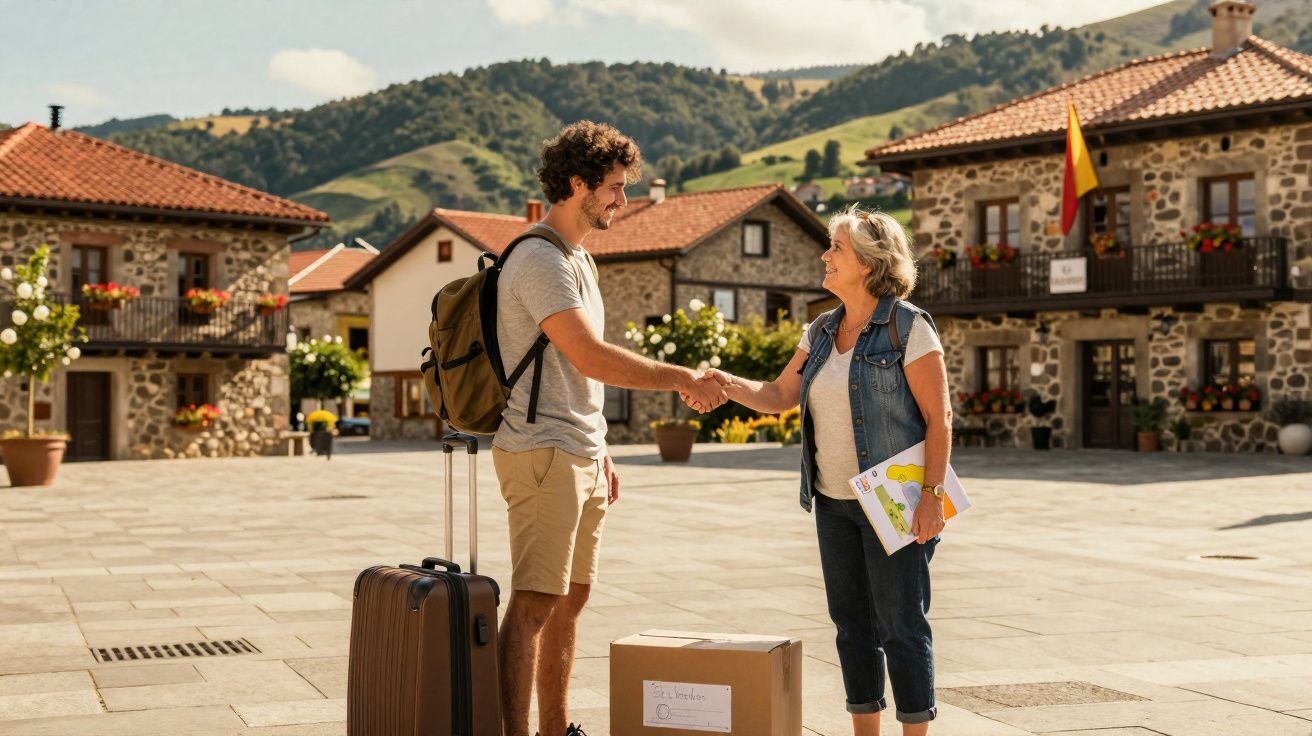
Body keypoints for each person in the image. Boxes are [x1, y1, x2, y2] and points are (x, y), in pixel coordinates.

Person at [494, 120, 727, 736]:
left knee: (571, 600)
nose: (624, 201)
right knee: (535, 601)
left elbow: (584, 372)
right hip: (542, 449)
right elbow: (589, 355)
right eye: (616, 188)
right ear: (578, 185)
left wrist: (601, 450)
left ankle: (556, 729)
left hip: (580, 450)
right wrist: (682, 378)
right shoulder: (540, 258)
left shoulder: (580, 260)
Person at [690, 207, 952, 735]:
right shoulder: (822, 330)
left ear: (870, 261)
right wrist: (726, 382)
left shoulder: (908, 327)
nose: (824, 255)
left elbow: (938, 417)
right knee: (852, 628)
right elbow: (780, 394)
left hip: (893, 503)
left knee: (901, 626)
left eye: (836, 247)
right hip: (833, 503)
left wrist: (931, 496)